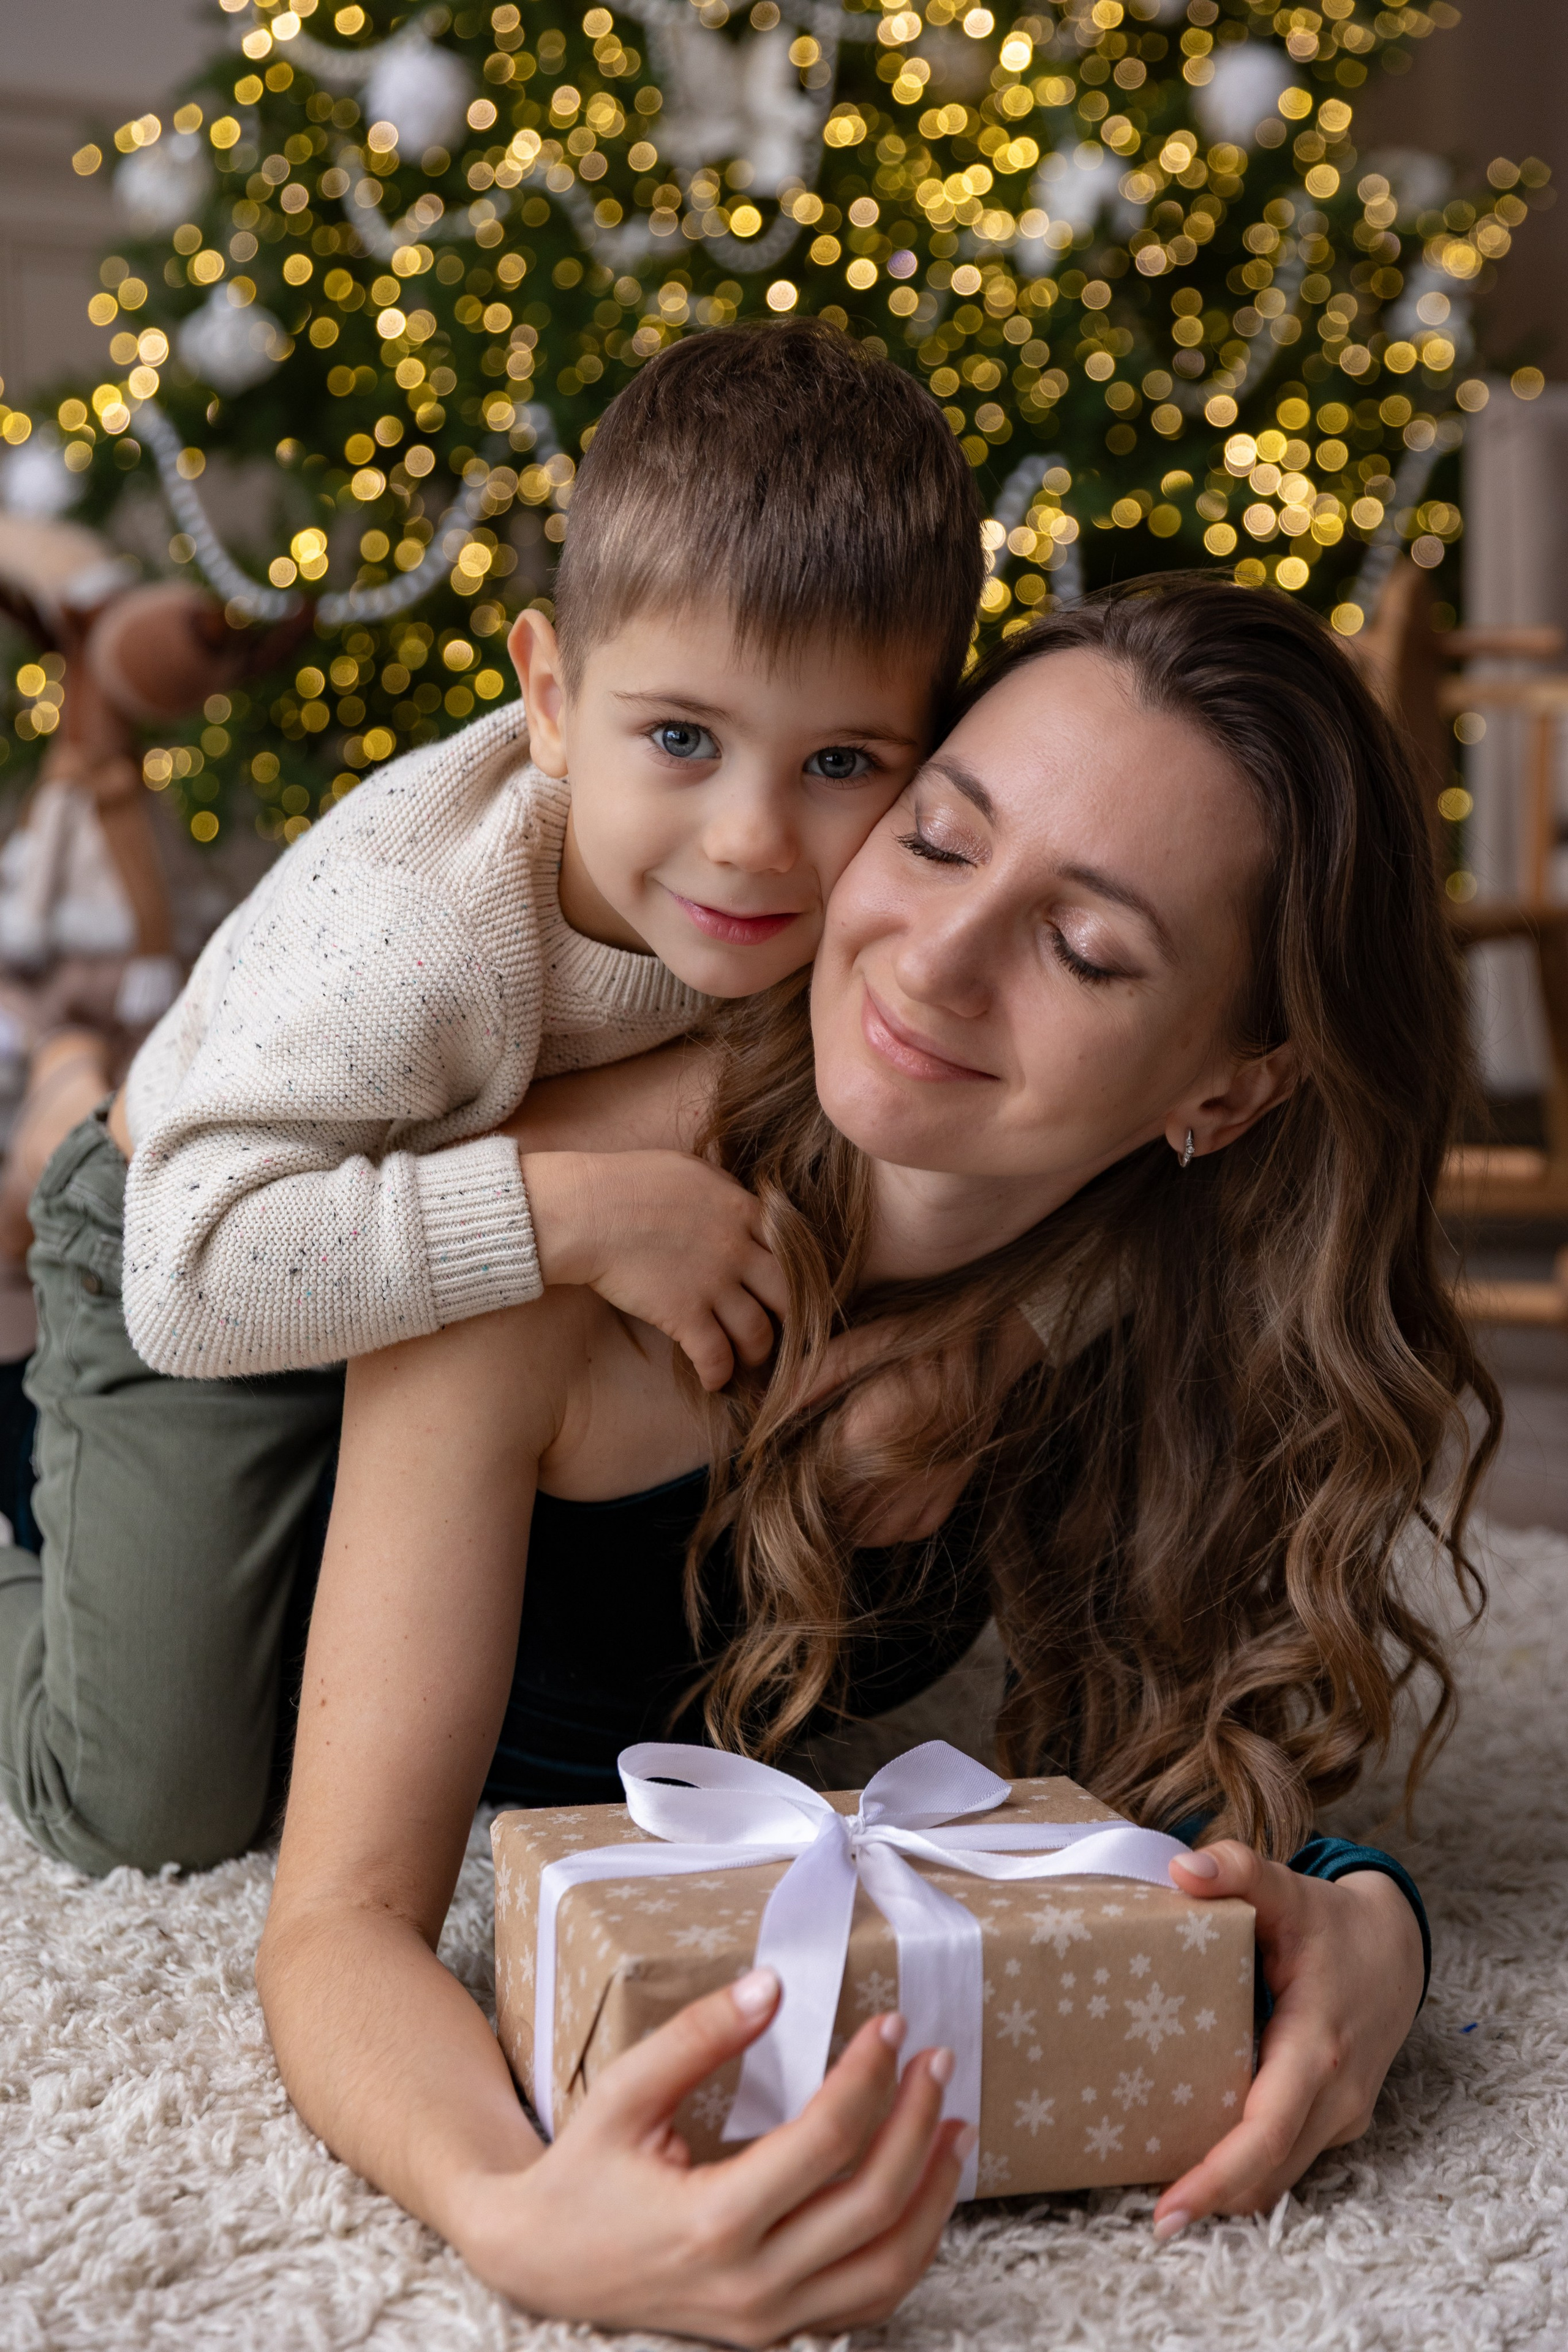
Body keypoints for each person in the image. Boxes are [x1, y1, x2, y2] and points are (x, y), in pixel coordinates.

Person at [258, 578, 1493, 2339]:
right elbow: (338, 1922)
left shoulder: (1141, 1298)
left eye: (1087, 948)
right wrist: (512, 2207)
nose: (934, 955)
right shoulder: (546, 1243)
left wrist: (1374, 1928)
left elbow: (1187, 1771)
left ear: (1226, 1094)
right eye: (936, 840)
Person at [0, 318, 986, 1874]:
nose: (750, 840)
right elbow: (192, 1283)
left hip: (422, 1246)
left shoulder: (876, 903)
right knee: (150, 1804)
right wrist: (578, 1215)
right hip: (202, 1233)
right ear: (546, 692)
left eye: (844, 762)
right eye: (678, 738)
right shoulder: (414, 937)